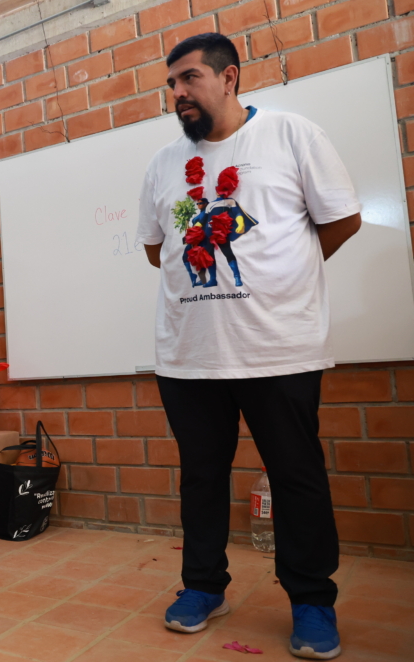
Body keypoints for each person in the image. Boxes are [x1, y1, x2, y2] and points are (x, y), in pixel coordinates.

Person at [135, 33, 362, 660]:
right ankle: (203, 587)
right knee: (201, 478)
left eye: (189, 78)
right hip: (189, 355)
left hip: (278, 349)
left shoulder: (291, 135)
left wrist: (287, 278)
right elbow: (156, 248)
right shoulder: (162, 164)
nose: (177, 93)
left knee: (296, 476)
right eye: (172, 83)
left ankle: (311, 600)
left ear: (229, 76)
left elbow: (342, 219)